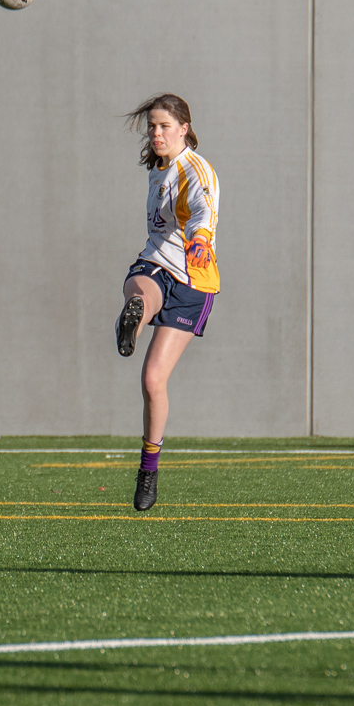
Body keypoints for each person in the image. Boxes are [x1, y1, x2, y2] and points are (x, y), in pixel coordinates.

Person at [115, 94, 219, 512]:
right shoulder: (158, 167)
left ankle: (149, 470)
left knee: (153, 381)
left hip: (192, 280)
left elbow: (203, 210)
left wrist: (200, 238)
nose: (156, 133)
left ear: (184, 128)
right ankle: (133, 319)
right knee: (141, 285)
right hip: (157, 263)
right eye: (152, 126)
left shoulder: (197, 170)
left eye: (163, 126)